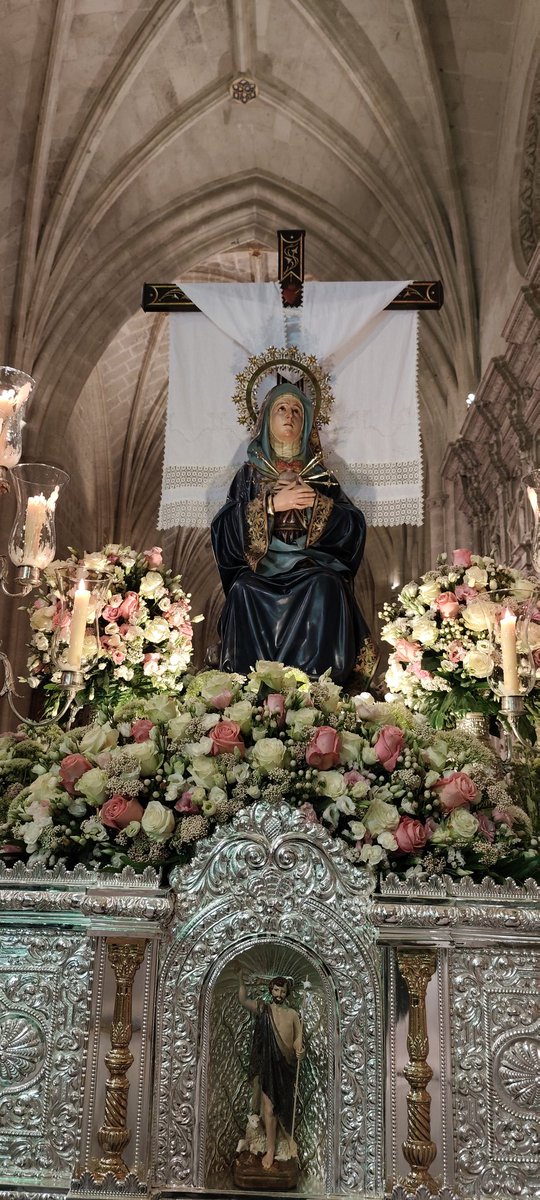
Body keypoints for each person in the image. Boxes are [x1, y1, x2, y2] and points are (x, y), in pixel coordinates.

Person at [211, 382, 368, 682]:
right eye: (281, 409)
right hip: (262, 569)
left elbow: (354, 528)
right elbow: (224, 529)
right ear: (267, 419)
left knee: (327, 586)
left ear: (307, 423)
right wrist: (270, 506)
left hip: (311, 567)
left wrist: (320, 507)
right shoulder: (248, 475)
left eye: (297, 410)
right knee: (242, 590)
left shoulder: (321, 478)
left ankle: (317, 687)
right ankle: (246, 686)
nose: (289, 415)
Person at [237, 969, 303, 1170]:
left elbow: (299, 1038)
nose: (279, 995)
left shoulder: (293, 1014)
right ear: (271, 990)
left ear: (287, 993)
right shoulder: (263, 1009)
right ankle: (270, 1149)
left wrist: (301, 1050)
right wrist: (240, 978)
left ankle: (282, 1144)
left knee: (281, 1107)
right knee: (268, 1108)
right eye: (276, 990)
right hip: (267, 1065)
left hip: (285, 1067)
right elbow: (243, 1000)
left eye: (282, 991)